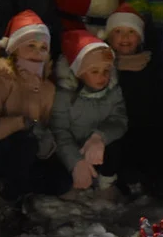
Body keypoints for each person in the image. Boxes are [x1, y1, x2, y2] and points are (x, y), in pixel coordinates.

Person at [0, 10, 70, 237]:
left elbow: (48, 125)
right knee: (24, 142)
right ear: (14, 49)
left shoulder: (47, 87)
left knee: (61, 181)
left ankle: (19, 189)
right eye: (30, 46)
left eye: (43, 48)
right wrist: (22, 123)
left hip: (27, 153)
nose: (37, 53)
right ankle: (9, 205)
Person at [104, 3, 163, 198]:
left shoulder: (151, 65)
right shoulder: (102, 66)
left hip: (147, 131)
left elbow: (161, 104)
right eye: (118, 32)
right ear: (109, 37)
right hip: (117, 134)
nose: (125, 38)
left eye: (131, 32)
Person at [51, 30, 131, 198]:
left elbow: (119, 119)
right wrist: (75, 162)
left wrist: (99, 137)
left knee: (118, 146)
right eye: (94, 71)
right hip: (72, 149)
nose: (102, 77)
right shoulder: (64, 95)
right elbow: (59, 131)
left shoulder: (112, 89)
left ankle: (106, 181)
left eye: (106, 70)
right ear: (79, 72)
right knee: (60, 180)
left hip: (99, 149)